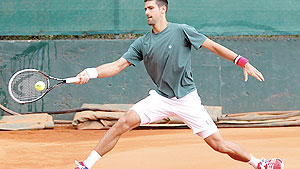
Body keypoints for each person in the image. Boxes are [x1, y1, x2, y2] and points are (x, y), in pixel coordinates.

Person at [74, 0, 284, 169]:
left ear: (162, 9)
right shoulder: (142, 43)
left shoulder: (182, 31)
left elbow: (212, 46)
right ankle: (86, 165)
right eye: (145, 9)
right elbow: (116, 66)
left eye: (150, 8)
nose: (146, 12)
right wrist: (91, 73)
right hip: (160, 98)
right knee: (124, 122)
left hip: (187, 99)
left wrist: (242, 62)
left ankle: (260, 163)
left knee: (219, 145)